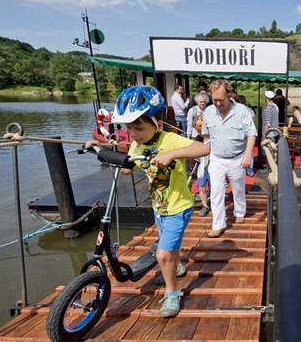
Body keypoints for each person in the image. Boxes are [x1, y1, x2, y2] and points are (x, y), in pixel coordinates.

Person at [87, 86, 210, 318]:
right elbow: (127, 170)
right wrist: (100, 150)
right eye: (129, 128)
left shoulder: (170, 139)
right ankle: (178, 265)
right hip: (159, 207)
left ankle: (172, 293)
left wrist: (171, 155)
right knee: (169, 249)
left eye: (139, 127)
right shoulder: (137, 144)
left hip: (178, 207)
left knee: (162, 254)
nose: (133, 133)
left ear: (158, 124)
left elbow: (203, 148)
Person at [201, 79, 257, 238]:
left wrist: (248, 154)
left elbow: (251, 134)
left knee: (238, 188)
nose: (217, 103)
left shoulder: (242, 111)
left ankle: (239, 211)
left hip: (237, 158)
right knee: (217, 190)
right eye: (214, 99)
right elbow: (206, 134)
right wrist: (207, 151)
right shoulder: (209, 112)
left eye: (221, 99)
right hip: (217, 158)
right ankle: (218, 224)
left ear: (229, 96)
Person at [186, 93, 211, 216]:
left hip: (212, 163)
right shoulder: (192, 111)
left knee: (213, 185)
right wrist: (189, 137)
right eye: (201, 102)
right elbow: (190, 125)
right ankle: (205, 206)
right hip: (202, 164)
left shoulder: (209, 111)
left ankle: (212, 202)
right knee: (201, 186)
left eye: (204, 101)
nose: (203, 103)